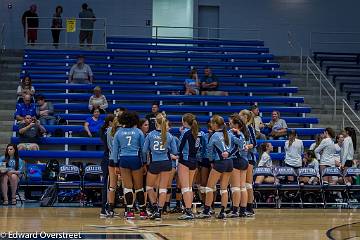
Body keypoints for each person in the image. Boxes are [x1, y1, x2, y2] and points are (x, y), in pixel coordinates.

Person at [110, 111, 146, 220]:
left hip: (123, 160)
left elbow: (115, 151)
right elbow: (143, 150)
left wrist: (116, 165)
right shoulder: (139, 132)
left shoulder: (118, 133)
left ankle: (129, 212)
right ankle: (143, 211)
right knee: (139, 187)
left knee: (128, 187)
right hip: (135, 159)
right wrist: (144, 163)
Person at [143, 113, 178, 220]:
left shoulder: (150, 134)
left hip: (154, 163)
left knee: (149, 187)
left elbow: (144, 150)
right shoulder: (169, 135)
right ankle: (159, 211)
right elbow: (175, 151)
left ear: (155, 123)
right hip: (166, 163)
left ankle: (154, 206)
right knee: (163, 188)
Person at [197, 115, 232, 219]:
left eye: (212, 123)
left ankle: (207, 210)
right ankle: (222, 212)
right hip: (229, 162)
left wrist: (211, 161)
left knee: (209, 187)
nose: (210, 125)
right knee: (224, 189)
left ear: (216, 124)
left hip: (219, 162)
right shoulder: (228, 134)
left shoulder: (215, 135)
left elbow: (209, 151)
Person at [177, 113, 202, 220]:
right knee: (189, 187)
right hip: (194, 161)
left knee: (185, 187)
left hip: (185, 160)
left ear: (185, 122)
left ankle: (187, 211)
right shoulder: (199, 133)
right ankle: (190, 209)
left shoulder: (185, 133)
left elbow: (179, 148)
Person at [228, 114, 251, 218]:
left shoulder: (233, 133)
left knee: (235, 187)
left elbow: (238, 146)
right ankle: (242, 210)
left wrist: (228, 154)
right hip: (245, 160)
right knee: (243, 187)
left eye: (230, 122)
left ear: (236, 124)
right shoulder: (243, 132)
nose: (229, 124)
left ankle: (235, 211)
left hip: (236, 160)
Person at [239, 109, 257, 216]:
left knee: (248, 184)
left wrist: (246, 146)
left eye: (241, 116)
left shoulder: (249, 127)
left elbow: (254, 143)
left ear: (246, 117)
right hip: (242, 157)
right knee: (243, 184)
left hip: (249, 157)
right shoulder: (242, 128)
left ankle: (250, 208)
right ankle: (241, 206)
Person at [105, 116, 121, 218]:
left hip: (111, 158)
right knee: (126, 185)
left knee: (112, 185)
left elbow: (108, 146)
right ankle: (129, 209)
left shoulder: (109, 130)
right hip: (121, 159)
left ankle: (110, 209)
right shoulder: (122, 131)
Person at [99, 114, 115, 218]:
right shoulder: (108, 132)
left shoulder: (107, 131)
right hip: (108, 160)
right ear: (110, 122)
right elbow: (111, 148)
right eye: (115, 121)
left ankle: (109, 208)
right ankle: (104, 209)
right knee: (108, 185)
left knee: (111, 185)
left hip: (107, 159)